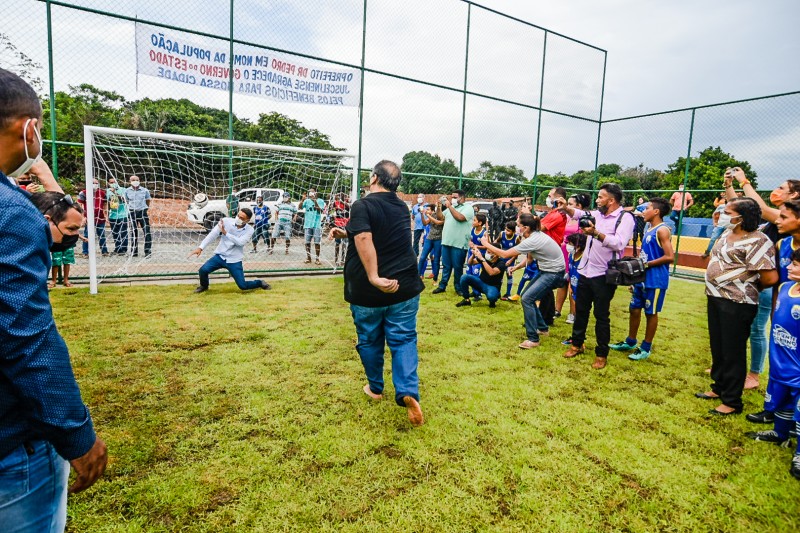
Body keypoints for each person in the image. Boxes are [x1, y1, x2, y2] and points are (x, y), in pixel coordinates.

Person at [0, 67, 107, 531]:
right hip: (10, 445)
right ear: (30, 130)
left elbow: (61, 208)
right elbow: (25, 338)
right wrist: (76, 433)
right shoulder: (13, 214)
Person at [328, 160, 425, 427]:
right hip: (405, 286)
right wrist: (346, 233)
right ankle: (407, 392)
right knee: (404, 339)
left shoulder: (363, 204)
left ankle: (375, 388)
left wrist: (374, 277)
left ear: (373, 178)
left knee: (370, 340)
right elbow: (378, 232)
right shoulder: (402, 207)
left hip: (368, 290)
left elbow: (365, 238)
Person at [696, 197, 777, 415]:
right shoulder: (726, 234)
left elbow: (769, 278)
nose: (723, 214)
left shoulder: (758, 241)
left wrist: (743, 286)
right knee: (719, 347)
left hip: (738, 302)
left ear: (741, 217)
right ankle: (719, 387)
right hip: (715, 297)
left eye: (728, 212)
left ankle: (731, 401)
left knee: (733, 350)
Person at [727, 169, 800, 394]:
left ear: (796, 195)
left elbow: (760, 208)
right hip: (778, 290)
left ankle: (755, 374)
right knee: (771, 334)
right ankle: (773, 396)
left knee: (762, 331)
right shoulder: (783, 241)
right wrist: (729, 185)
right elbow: (740, 206)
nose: (776, 192)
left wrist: (744, 181)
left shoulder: (785, 221)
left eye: (781, 189)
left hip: (780, 290)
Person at [556, 183, 635, 369]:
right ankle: (577, 344)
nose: (597, 200)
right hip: (585, 270)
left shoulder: (625, 218)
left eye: (601, 197)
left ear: (612, 200)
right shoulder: (597, 214)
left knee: (601, 315)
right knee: (580, 311)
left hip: (604, 274)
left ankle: (601, 354)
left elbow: (619, 243)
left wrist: (596, 233)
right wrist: (565, 207)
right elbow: (578, 214)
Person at [744, 247, 800, 481]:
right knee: (782, 401)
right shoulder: (785, 288)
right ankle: (779, 433)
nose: (789, 267)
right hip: (779, 361)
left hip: (798, 367)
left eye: (796, 265)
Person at [481, 213, 565, 349]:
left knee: (527, 299)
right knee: (527, 296)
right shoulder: (533, 236)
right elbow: (530, 258)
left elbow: (505, 254)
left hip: (554, 273)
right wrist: (517, 267)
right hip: (547, 271)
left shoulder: (533, 239)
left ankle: (533, 339)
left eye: (518, 225)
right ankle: (543, 328)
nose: (517, 228)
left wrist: (485, 244)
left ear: (526, 228)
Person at [610, 197, 675, 361]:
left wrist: (646, 264)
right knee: (634, 309)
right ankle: (630, 341)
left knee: (650, 313)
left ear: (656, 211)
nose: (643, 211)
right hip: (642, 279)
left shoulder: (662, 230)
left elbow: (670, 256)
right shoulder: (649, 229)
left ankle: (646, 347)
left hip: (656, 280)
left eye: (647, 208)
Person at [189, 208, 271, 293]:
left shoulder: (250, 230)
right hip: (220, 257)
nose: (238, 218)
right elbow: (213, 234)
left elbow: (240, 242)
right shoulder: (225, 221)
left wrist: (226, 233)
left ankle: (259, 282)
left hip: (234, 260)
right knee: (203, 270)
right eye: (238, 215)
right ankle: (204, 286)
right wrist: (200, 247)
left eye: (242, 218)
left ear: (247, 220)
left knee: (243, 286)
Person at [432, 189, 474, 297]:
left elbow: (460, 218)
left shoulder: (468, 208)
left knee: (457, 266)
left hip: (459, 243)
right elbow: (441, 217)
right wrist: (439, 206)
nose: (452, 199)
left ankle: (458, 287)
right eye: (451, 197)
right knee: (446, 266)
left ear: (462, 198)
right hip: (447, 241)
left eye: (455, 197)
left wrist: (449, 206)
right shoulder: (452, 208)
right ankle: (442, 286)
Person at [555, 194, 589, 321]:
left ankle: (573, 313)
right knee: (562, 282)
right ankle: (557, 310)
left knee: (573, 283)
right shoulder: (568, 219)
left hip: (577, 253)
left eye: (570, 204)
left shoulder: (583, 219)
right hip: (565, 253)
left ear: (579, 206)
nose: (567, 206)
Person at [538, 187, 568, 325]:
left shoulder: (558, 214)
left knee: (544, 286)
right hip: (546, 251)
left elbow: (539, 227)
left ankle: (543, 319)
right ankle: (548, 317)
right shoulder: (553, 213)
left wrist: (527, 215)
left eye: (550, 196)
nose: (548, 198)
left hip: (550, 253)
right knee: (547, 288)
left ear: (557, 198)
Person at [456, 243, 507, 308]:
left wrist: (482, 259)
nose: (487, 253)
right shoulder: (485, 257)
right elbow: (470, 263)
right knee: (464, 277)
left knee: (492, 297)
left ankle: (493, 300)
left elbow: (491, 272)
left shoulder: (501, 263)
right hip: (481, 282)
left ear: (496, 254)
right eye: (487, 251)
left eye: (489, 252)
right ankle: (466, 300)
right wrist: (473, 255)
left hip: (492, 286)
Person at [560, 232, 588, 345]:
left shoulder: (584, 258)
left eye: (571, 244)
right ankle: (576, 337)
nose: (568, 246)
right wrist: (571, 286)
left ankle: (578, 339)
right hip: (574, 288)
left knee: (580, 315)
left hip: (582, 290)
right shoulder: (572, 256)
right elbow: (571, 272)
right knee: (578, 315)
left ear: (579, 246)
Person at [77, 178, 109, 257]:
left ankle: (104, 251)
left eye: (96, 183)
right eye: (93, 183)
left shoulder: (102, 193)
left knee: (101, 235)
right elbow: (79, 205)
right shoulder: (84, 193)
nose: (95, 185)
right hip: (89, 218)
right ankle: (85, 252)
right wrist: (83, 217)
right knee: (87, 234)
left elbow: (105, 204)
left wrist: (106, 215)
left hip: (100, 217)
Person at [124, 175, 152, 257]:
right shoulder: (127, 191)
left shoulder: (145, 190)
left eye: (137, 179)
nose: (135, 181)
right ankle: (134, 251)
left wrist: (145, 209)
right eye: (133, 180)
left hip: (142, 212)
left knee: (147, 232)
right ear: (130, 181)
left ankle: (147, 252)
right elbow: (126, 201)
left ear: (139, 180)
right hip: (132, 212)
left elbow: (148, 200)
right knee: (133, 232)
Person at [418, 202, 444, 281]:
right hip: (429, 239)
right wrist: (422, 215)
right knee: (422, 258)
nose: (426, 210)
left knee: (436, 259)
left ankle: (435, 279)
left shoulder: (441, 216)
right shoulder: (431, 216)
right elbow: (425, 223)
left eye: (428, 209)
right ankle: (418, 276)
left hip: (438, 239)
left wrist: (428, 215)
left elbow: (438, 222)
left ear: (433, 211)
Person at [496, 221, 520, 300]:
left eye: (508, 230)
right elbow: (495, 243)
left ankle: (508, 293)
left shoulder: (516, 238)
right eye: (506, 229)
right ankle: (497, 292)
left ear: (513, 231)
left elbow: (518, 251)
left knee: (509, 275)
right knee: (499, 276)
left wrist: (511, 260)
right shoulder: (502, 234)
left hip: (510, 259)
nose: (506, 231)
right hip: (501, 258)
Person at [301, 187, 325, 265]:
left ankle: (317, 259)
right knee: (307, 242)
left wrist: (314, 200)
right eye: (309, 192)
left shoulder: (320, 201)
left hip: (316, 224)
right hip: (308, 224)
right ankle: (308, 258)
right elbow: (300, 207)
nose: (310, 194)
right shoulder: (307, 201)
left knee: (317, 242)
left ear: (316, 193)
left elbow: (320, 210)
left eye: (312, 192)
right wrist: (302, 200)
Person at [106, 176, 128, 255]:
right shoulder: (107, 191)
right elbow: (108, 203)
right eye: (111, 182)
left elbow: (124, 200)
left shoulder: (123, 190)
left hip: (123, 215)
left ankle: (124, 249)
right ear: (108, 183)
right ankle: (118, 248)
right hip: (113, 215)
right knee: (115, 233)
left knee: (123, 232)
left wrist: (115, 192)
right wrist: (107, 215)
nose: (113, 184)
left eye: (114, 182)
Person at [332, 193, 351, 266]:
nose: (340, 197)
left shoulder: (347, 202)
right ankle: (336, 260)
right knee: (337, 243)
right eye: (339, 196)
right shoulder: (335, 203)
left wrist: (342, 201)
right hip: (338, 224)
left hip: (345, 225)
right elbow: (331, 209)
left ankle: (343, 259)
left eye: (341, 196)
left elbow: (349, 207)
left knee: (344, 243)